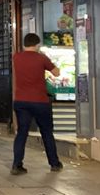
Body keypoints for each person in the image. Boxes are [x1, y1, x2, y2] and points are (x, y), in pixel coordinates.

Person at [11, 33, 63, 174]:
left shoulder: (16, 57)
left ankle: (17, 165)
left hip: (21, 101)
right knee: (46, 132)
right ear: (37, 44)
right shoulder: (41, 58)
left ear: (24, 44)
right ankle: (54, 164)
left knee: (22, 132)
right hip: (40, 101)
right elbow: (57, 73)